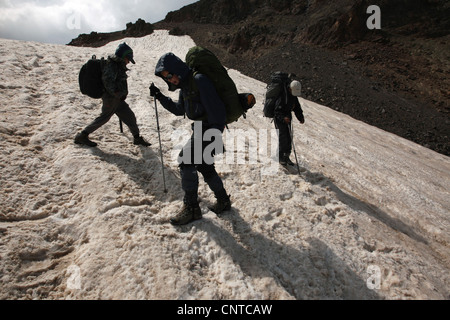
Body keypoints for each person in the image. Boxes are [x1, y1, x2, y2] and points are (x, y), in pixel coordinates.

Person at [150, 52, 231, 226]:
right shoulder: (186, 87)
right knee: (204, 165)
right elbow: (180, 110)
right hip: (202, 130)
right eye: (166, 78)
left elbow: (218, 111)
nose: (170, 79)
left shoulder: (200, 80)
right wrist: (160, 96)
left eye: (170, 74)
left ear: (177, 69)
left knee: (186, 160)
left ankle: (192, 208)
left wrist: (214, 136)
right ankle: (223, 200)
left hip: (209, 130)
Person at [74, 43, 151, 148]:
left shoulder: (118, 65)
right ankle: (82, 135)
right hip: (111, 98)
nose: (128, 62)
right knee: (104, 117)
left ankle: (137, 138)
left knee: (129, 116)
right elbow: (108, 82)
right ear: (124, 57)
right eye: (128, 59)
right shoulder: (112, 65)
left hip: (117, 98)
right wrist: (118, 93)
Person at [273, 76, 304, 166]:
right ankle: (280, 157)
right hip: (279, 117)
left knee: (289, 137)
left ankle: (286, 157)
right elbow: (276, 110)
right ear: (289, 88)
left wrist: (300, 117)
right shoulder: (282, 95)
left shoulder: (293, 95)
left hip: (287, 116)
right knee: (283, 137)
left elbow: (297, 107)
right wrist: (283, 118)